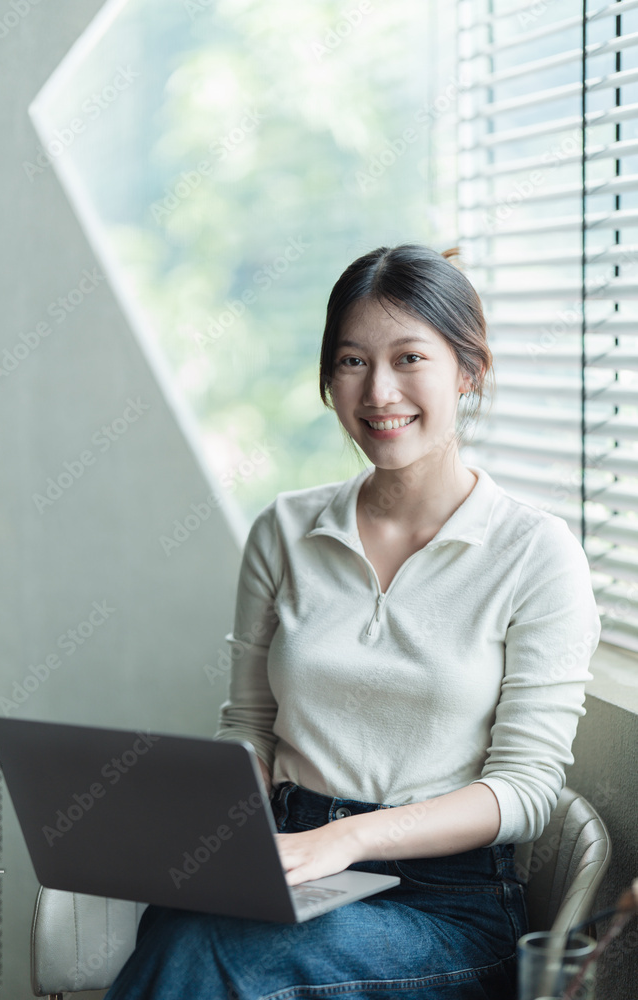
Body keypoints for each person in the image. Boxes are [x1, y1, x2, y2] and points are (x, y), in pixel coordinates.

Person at [104, 243, 601, 999]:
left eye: (409, 357)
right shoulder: (284, 531)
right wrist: (213, 824)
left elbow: (527, 789)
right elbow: (249, 722)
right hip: (284, 855)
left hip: (442, 903)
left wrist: (349, 838)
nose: (378, 391)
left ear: (467, 371)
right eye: (350, 361)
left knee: (215, 957)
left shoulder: (535, 553)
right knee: (178, 924)